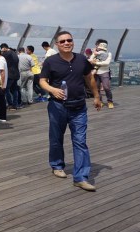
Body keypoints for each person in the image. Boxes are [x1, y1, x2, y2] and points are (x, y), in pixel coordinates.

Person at [39, 31, 102, 192]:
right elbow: (42, 81)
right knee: (56, 138)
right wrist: (52, 90)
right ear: (57, 45)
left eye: (69, 40)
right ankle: (57, 165)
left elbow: (89, 78)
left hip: (79, 107)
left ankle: (81, 178)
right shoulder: (50, 61)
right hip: (57, 106)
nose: (66, 43)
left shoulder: (81, 59)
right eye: (62, 41)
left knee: (80, 141)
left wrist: (96, 96)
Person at [89, 40, 114, 108]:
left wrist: (96, 62)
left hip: (104, 72)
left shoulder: (109, 53)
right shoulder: (95, 53)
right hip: (96, 73)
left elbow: (106, 63)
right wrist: (94, 60)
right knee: (97, 88)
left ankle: (110, 101)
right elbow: (90, 59)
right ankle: (100, 101)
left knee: (106, 87)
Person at [0, 43, 20, 110]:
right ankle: (15, 105)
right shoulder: (14, 53)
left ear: (4, 48)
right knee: (14, 90)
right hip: (16, 74)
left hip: (10, 75)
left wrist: (1, 52)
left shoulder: (7, 54)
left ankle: (10, 104)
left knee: (6, 89)